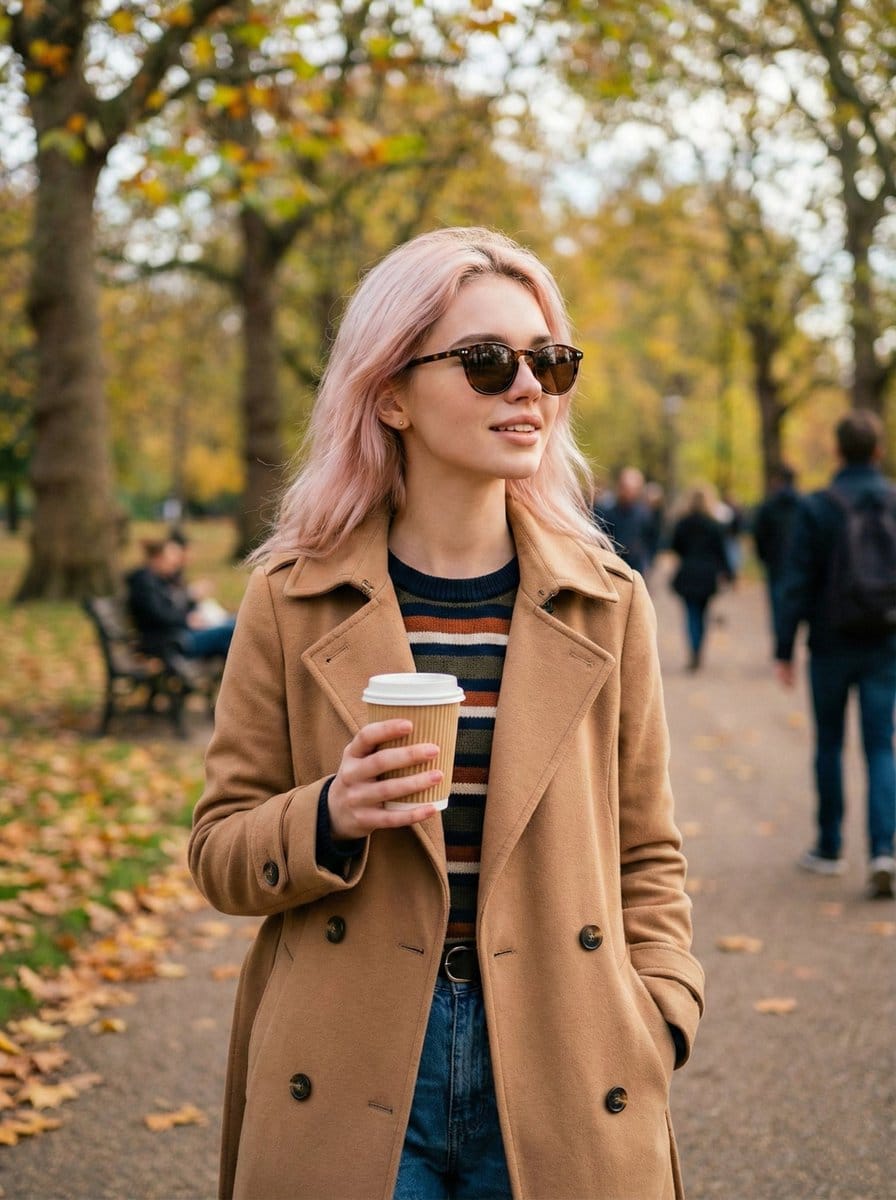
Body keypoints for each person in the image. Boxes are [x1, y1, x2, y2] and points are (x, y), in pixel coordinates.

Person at [188, 227, 704, 1200]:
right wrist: (329, 814)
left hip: (564, 1056)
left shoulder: (608, 598)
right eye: (485, 361)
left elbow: (648, 851)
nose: (527, 389)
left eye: (548, 362)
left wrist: (658, 1013)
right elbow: (219, 848)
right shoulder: (289, 598)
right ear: (387, 393)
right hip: (352, 1064)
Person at [775, 411, 896, 900]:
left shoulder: (817, 507)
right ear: (879, 451)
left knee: (828, 743)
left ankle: (829, 847)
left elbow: (795, 583)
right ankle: (883, 850)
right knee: (880, 745)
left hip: (829, 643)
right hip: (886, 642)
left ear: (838, 452)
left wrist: (785, 647)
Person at [126, 534, 235, 665]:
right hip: (174, 642)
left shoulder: (158, 579)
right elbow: (158, 614)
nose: (174, 563)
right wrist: (187, 620)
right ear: (157, 558)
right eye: (169, 558)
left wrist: (191, 607)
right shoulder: (144, 582)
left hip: (180, 635)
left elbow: (171, 608)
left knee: (231, 633)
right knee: (233, 629)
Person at [670, 486, 733, 671]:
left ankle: (694, 649)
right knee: (702, 614)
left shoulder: (683, 523)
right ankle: (698, 649)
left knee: (691, 614)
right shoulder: (714, 525)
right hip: (707, 576)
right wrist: (728, 574)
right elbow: (721, 552)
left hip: (688, 574)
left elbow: (675, 546)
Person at [752, 464, 800, 651]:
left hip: (775, 563)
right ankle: (789, 644)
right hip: (795, 564)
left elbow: (759, 536)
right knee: (793, 605)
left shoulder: (768, 506)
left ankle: (781, 644)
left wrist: (764, 557)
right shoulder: (803, 505)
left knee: (777, 606)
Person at [593, 465, 660, 575]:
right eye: (625, 487)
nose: (628, 492)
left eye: (633, 489)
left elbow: (652, 540)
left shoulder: (645, 514)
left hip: (636, 568)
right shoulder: (605, 512)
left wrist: (647, 561)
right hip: (611, 567)